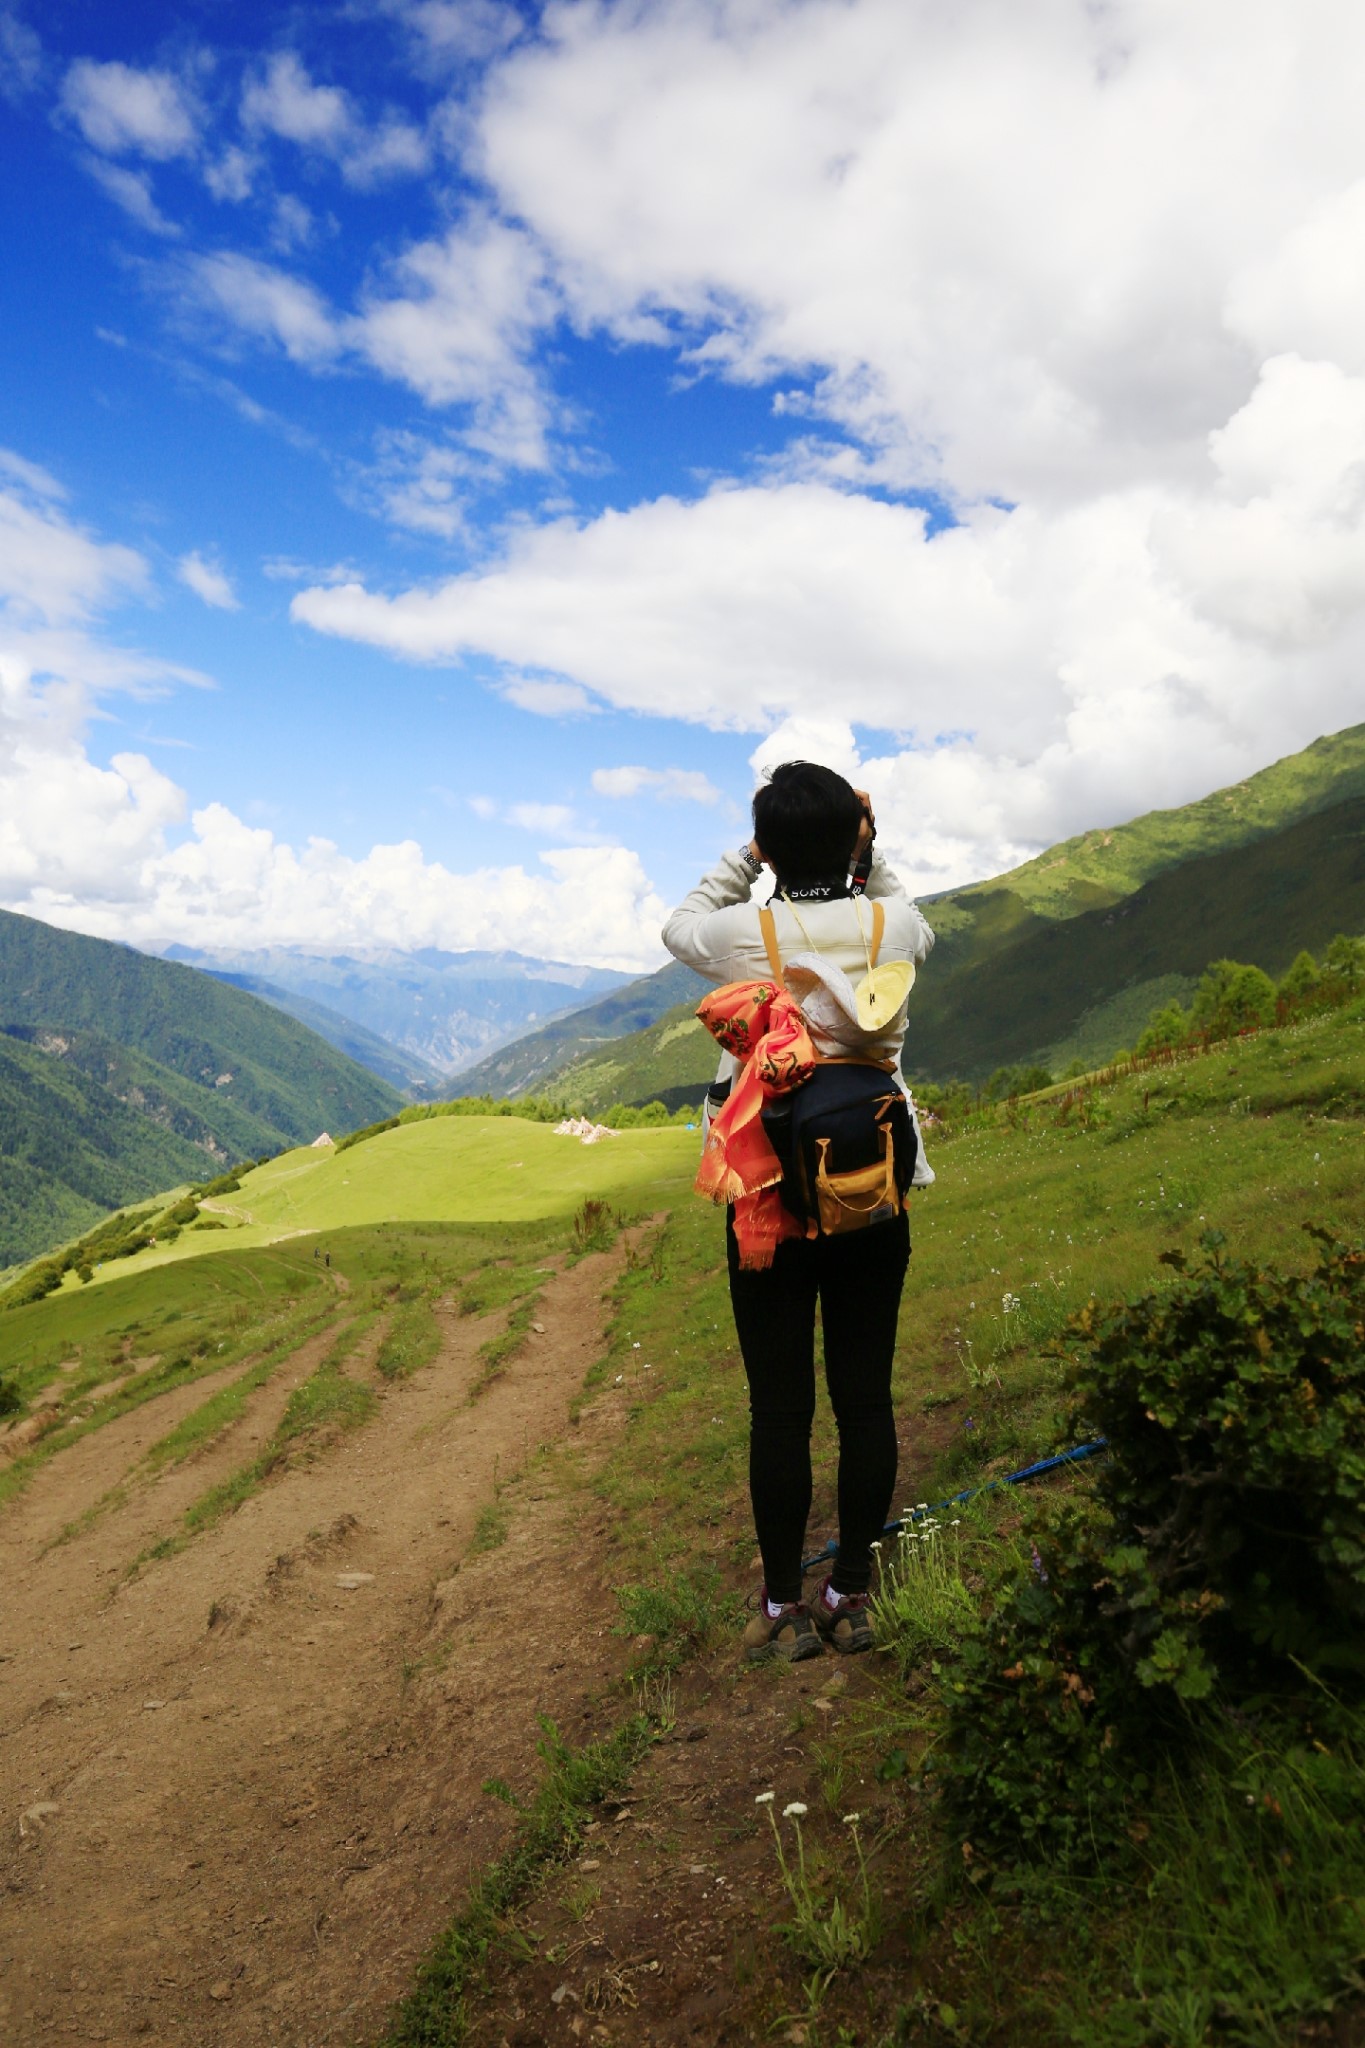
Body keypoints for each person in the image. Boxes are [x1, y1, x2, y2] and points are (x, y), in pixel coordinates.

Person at [663, 762, 935, 1660]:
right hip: (871, 1191)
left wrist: (750, 856)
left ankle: (782, 1610)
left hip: (770, 1202)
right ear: (854, 838)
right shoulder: (891, 922)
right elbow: (910, 911)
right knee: (865, 1400)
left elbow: (677, 926)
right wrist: (868, 848)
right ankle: (849, 1593)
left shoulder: (746, 934)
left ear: (770, 846)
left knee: (778, 1410)